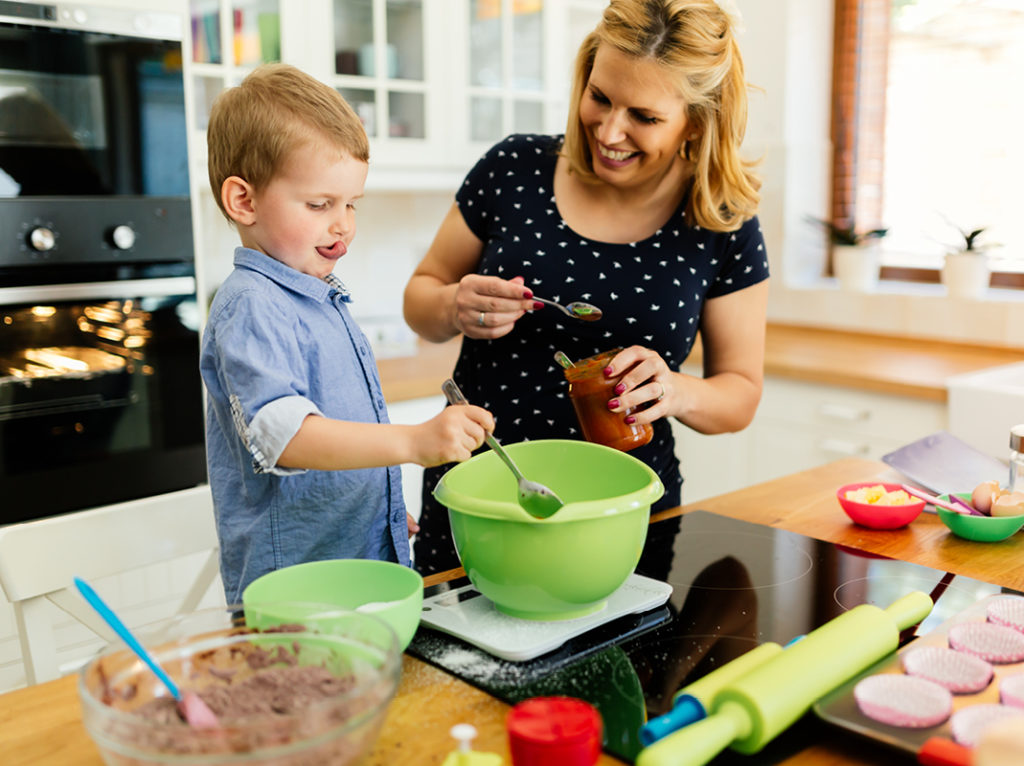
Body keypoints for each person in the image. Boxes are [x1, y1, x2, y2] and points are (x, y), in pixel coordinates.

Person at [403, 0, 770, 575]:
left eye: (644, 117)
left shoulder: (720, 219)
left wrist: (676, 391)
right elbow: (420, 301)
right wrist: (454, 305)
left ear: (696, 122)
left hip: (624, 517)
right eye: (600, 97)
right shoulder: (514, 168)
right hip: (479, 496)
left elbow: (741, 392)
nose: (610, 131)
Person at [201, 63, 493, 603]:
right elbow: (285, 437)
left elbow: (339, 437)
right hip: (295, 597)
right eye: (319, 205)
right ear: (243, 201)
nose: (343, 224)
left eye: (351, 204)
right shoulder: (251, 304)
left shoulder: (316, 294)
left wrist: (376, 501)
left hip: (351, 577)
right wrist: (412, 441)